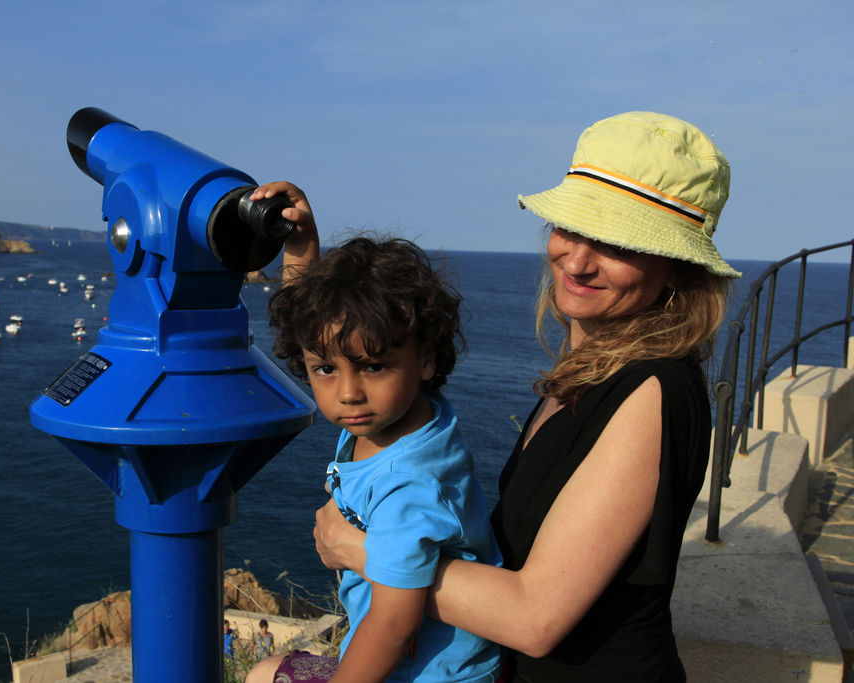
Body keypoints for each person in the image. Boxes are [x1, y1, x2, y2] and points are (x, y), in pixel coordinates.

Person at [258, 111, 740, 681]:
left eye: (618, 244)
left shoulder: (653, 391)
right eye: (573, 228)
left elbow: (535, 618)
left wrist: (360, 549)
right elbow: (331, 349)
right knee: (267, 672)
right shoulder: (593, 370)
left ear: (678, 269)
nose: (579, 260)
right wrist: (302, 259)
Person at [246, 236, 503, 682]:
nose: (348, 393)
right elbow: (310, 328)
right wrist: (301, 246)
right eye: (325, 370)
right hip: (426, 662)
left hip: (430, 674)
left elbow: (392, 625)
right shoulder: (401, 417)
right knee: (263, 673)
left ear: (425, 359)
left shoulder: (410, 485)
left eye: (373, 367)